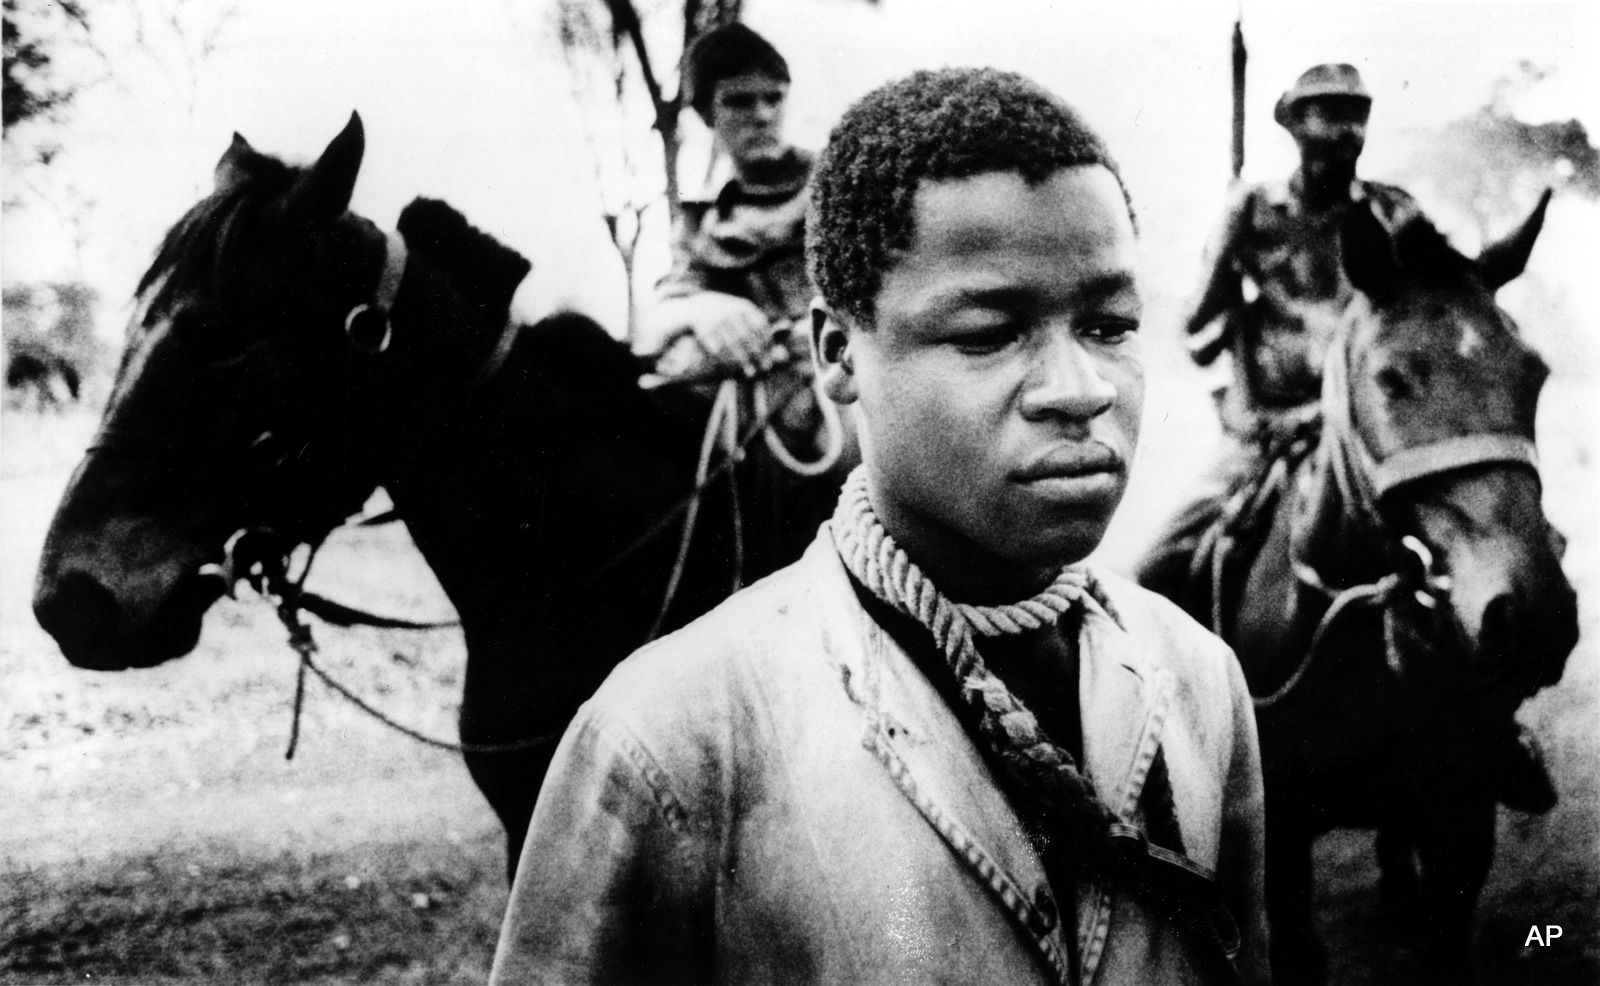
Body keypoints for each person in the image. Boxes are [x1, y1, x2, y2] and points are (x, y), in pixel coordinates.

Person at [490, 68, 1268, 985]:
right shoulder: (669, 738)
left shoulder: (1199, 677)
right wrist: (705, 315)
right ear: (838, 351)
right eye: (987, 334)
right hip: (771, 398)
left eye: (1110, 325)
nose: (1081, 389)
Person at [1141, 62, 1555, 815]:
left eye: (1355, 113)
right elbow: (1196, 326)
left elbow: (1441, 294)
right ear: (1292, 125)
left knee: (1491, 564)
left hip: (1378, 434)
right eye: (1325, 113)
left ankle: (1497, 729)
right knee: (1156, 572)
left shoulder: (1392, 211)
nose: (1344, 130)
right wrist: (1236, 379)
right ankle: (1168, 742)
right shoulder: (1251, 211)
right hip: (1272, 434)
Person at [638, 21, 848, 576]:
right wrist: (708, 310)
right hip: (751, 405)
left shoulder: (839, 183)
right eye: (738, 101)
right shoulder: (705, 220)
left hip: (844, 392)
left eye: (772, 98)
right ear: (707, 115)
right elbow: (661, 312)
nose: (760, 114)